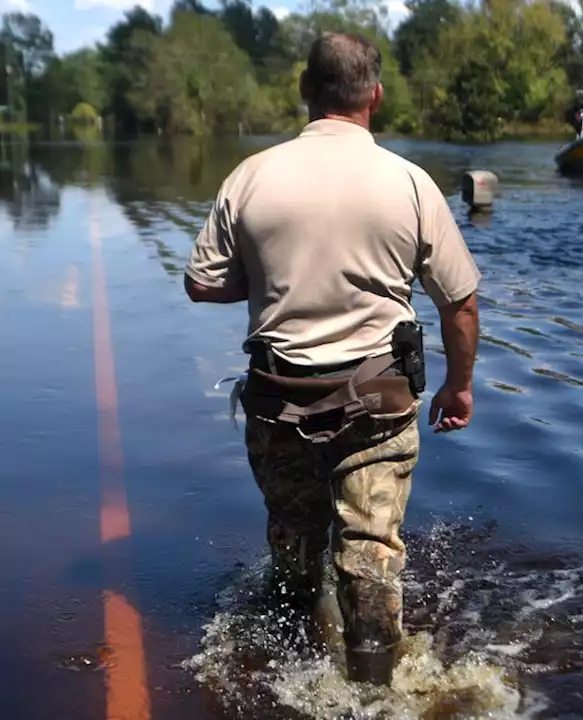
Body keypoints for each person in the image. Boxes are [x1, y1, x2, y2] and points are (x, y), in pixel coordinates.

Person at [182, 30, 481, 687]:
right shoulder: (409, 183)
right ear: (375, 94)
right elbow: (459, 302)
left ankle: (288, 663)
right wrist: (459, 388)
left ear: (305, 90)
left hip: (279, 399)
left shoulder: (250, 177)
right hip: (377, 403)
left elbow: (201, 282)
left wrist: (262, 281)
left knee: (293, 544)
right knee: (369, 554)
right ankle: (373, 689)